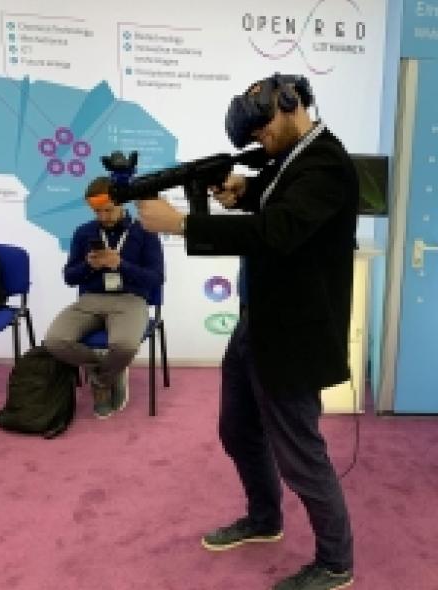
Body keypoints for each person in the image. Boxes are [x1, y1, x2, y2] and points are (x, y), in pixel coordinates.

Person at [136, 73, 358, 590]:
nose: (260, 138)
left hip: (294, 335)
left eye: (263, 128)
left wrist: (183, 224)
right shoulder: (293, 157)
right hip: (257, 321)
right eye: (253, 135)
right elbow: (276, 196)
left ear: (292, 102)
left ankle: (335, 564)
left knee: (301, 455)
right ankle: (264, 518)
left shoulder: (326, 163)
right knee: (237, 429)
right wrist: (245, 190)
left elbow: (277, 230)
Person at [44, 177, 165, 419]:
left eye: (108, 210)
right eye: (97, 211)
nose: (103, 216)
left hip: (130, 300)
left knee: (125, 346)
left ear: (122, 203)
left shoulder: (144, 232)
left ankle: (101, 381)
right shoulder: (84, 232)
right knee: (55, 341)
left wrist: (120, 264)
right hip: (90, 300)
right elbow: (69, 277)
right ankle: (111, 369)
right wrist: (89, 266)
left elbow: (156, 278)